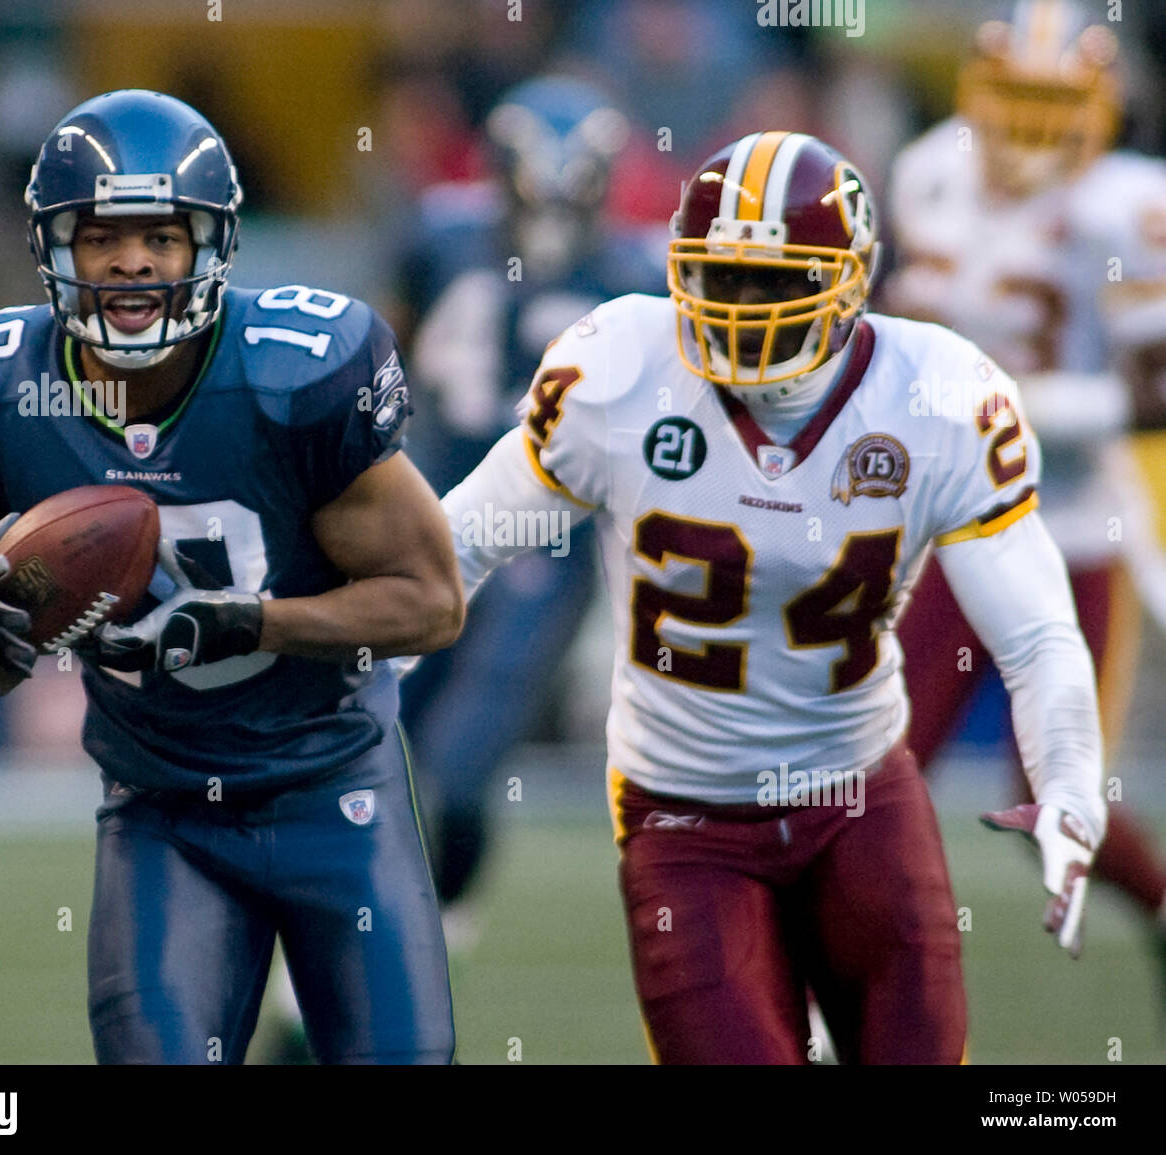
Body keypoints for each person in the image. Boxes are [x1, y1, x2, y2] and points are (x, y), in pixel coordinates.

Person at [435, 128, 1106, 1064]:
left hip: (859, 799)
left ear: (849, 279)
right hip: (683, 814)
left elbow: (1036, 638)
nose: (744, 307)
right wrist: (338, 658)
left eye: (778, 280)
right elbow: (454, 548)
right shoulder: (621, 367)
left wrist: (1072, 782)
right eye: (723, 278)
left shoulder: (937, 394)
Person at [0, 90, 462, 1065]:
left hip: (332, 789)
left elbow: (431, 602)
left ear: (211, 245)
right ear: (54, 250)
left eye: (161, 235)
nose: (132, 260)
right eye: (102, 237)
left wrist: (252, 623)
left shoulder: (297, 376)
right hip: (162, 811)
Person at [885, 0, 1166, 980]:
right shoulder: (928, 172)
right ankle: (860, 989)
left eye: (1056, 102)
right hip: (949, 526)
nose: (1033, 126)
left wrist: (1021, 405)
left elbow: (1154, 395)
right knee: (883, 766)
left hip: (1072, 529)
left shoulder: (1129, 204)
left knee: (1050, 793)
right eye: (1016, 100)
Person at [396, 75, 664, 931]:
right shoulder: (438, 237)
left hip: (542, 539)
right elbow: (385, 355)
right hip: (425, 512)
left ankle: (441, 931)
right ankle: (355, 947)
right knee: (376, 734)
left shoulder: (640, 273)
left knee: (458, 758)